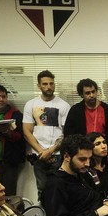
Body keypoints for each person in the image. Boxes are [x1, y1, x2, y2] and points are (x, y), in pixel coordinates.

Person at [22, 70, 71, 201]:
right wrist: (41, 152)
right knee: (42, 189)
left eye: (51, 83)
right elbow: (27, 131)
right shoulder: (31, 104)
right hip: (38, 156)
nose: (49, 87)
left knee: (61, 189)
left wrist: (50, 151)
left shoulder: (63, 105)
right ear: (39, 86)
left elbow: (66, 133)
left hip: (58, 155)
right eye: (45, 84)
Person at [63, 78, 108, 161]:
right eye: (87, 93)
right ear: (81, 95)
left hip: (104, 153)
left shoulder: (107, 109)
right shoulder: (75, 110)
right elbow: (69, 134)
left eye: (93, 92)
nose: (91, 95)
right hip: (83, 154)